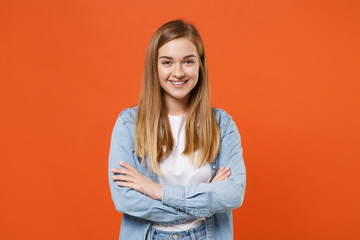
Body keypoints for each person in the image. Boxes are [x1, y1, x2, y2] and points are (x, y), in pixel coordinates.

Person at [108, 19, 246, 240]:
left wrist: (157, 191)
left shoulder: (222, 125)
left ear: (200, 64)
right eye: (167, 62)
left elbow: (233, 194)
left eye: (188, 61)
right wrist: (206, 201)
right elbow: (126, 199)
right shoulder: (128, 124)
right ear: (155, 66)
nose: (178, 72)